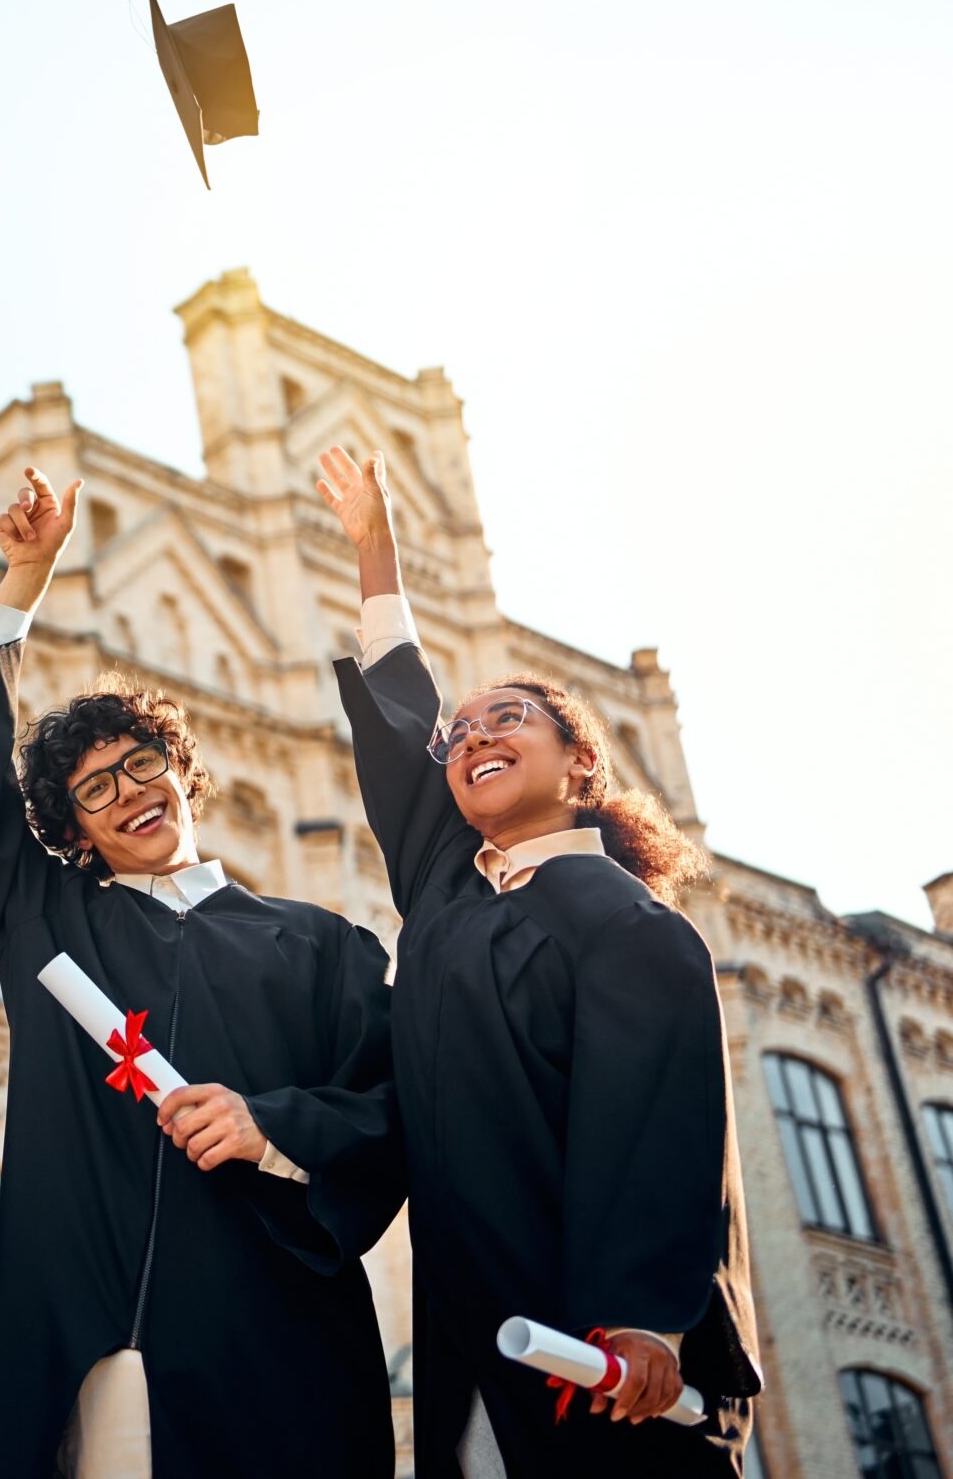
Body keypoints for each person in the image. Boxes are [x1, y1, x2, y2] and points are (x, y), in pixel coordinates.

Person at [0, 467, 403, 1479]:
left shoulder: (319, 947)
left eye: (141, 763)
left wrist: (274, 1128)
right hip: (105, 1348)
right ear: (72, 834)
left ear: (183, 773)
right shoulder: (45, 921)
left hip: (282, 1345)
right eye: (93, 789)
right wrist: (28, 574)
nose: (128, 791)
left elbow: (396, 1111)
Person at [317, 444, 759, 1477]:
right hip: (472, 1332)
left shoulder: (626, 922)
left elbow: (661, 1124)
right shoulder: (448, 893)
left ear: (581, 763)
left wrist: (646, 1317)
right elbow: (397, 725)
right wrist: (375, 550)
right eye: (460, 732)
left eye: (506, 717)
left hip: (597, 1349)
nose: (470, 735)